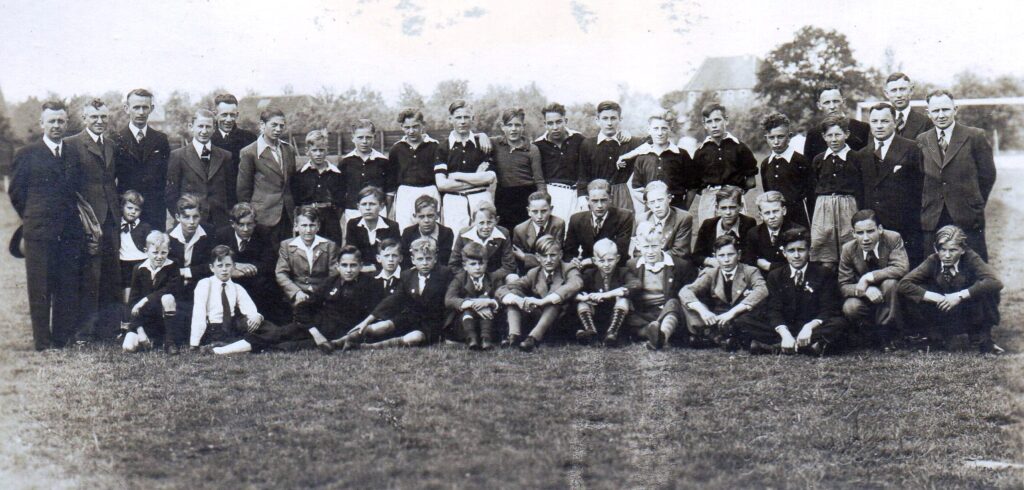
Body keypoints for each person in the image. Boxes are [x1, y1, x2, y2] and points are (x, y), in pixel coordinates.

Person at [9, 100, 83, 350]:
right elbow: (16, 193)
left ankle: (61, 338)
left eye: (61, 121)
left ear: (67, 123)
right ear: (42, 123)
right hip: (39, 233)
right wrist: (34, 216)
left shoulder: (73, 153)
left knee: (65, 285)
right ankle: (42, 340)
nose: (56, 125)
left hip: (69, 232)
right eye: (51, 121)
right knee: (40, 287)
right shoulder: (27, 154)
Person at [734, 229, 847, 355]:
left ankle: (775, 347)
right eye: (791, 251)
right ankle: (804, 346)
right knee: (743, 321)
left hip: (812, 326)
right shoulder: (775, 275)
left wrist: (809, 327)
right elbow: (773, 309)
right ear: (784, 253)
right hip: (785, 326)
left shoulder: (823, 273)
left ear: (809, 251)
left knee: (840, 323)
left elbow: (828, 308)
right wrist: (785, 334)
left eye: (801, 250)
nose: (796, 255)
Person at [328, 237, 455, 349]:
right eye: (420, 259)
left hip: (432, 323)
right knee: (382, 326)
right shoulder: (408, 275)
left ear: (435, 259)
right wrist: (367, 320)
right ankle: (338, 342)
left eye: (428, 259)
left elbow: (450, 298)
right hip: (410, 318)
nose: (425, 263)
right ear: (413, 260)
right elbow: (393, 299)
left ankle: (366, 347)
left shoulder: (444, 274)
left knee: (414, 338)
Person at [917, 90, 996, 261]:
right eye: (935, 111)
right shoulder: (922, 140)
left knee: (973, 265)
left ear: (955, 109)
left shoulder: (975, 136)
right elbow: (920, 176)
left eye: (945, 109)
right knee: (935, 267)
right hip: (934, 215)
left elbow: (987, 175)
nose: (941, 115)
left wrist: (974, 203)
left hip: (966, 215)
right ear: (928, 113)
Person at [898, 225, 1003, 353]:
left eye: (953, 250)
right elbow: (904, 283)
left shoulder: (971, 258)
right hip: (942, 311)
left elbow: (995, 282)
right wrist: (934, 297)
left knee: (986, 288)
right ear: (936, 248)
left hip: (968, 310)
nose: (947, 255)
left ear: (963, 249)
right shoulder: (933, 261)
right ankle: (934, 337)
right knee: (915, 291)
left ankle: (981, 338)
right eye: (943, 250)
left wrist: (959, 296)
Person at [67, 98, 121, 342]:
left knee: (110, 274)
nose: (99, 121)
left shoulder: (110, 145)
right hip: (87, 219)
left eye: (103, 117)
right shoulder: (72, 144)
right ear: (84, 118)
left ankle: (107, 330)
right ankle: (84, 332)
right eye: (94, 117)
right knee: (89, 276)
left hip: (111, 218)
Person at [854, 102, 925, 266]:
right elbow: (861, 193)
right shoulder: (862, 154)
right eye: (874, 121)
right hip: (875, 229)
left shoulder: (912, 148)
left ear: (895, 122)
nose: (879, 126)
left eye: (884, 121)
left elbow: (920, 188)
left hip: (905, 227)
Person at [189, 246, 283, 354]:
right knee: (265, 339)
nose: (224, 269)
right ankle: (235, 346)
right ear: (212, 268)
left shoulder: (236, 287)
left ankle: (221, 349)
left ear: (234, 267)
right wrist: (194, 344)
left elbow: (250, 309)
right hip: (213, 329)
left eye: (228, 265)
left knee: (271, 330)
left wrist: (257, 316)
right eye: (219, 266)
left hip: (232, 327)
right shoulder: (205, 284)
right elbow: (199, 314)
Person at [679, 235, 767, 349]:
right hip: (716, 318)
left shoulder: (750, 271)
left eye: (730, 254)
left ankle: (711, 338)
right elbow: (686, 291)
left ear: (739, 255)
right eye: (721, 255)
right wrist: (703, 311)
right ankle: (718, 338)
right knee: (687, 302)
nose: (726, 260)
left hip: (738, 317)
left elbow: (762, 289)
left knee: (750, 316)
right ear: (715, 256)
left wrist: (732, 313)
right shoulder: (711, 273)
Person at [497, 236, 583, 352]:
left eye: (552, 255)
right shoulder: (534, 273)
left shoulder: (568, 269)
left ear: (560, 255)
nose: (548, 260)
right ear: (538, 257)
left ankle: (533, 339)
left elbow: (575, 283)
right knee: (514, 294)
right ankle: (513, 336)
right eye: (544, 256)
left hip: (560, 322)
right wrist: (517, 300)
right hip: (538, 318)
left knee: (554, 302)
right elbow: (503, 289)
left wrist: (543, 301)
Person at [838, 209, 909, 348]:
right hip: (865, 298)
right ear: (853, 233)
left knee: (890, 283)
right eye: (860, 233)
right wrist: (866, 290)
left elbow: (901, 267)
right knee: (850, 307)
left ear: (880, 229)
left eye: (870, 231)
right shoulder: (848, 249)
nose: (865, 238)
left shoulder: (893, 238)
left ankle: (888, 334)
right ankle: (869, 336)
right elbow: (844, 285)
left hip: (891, 296)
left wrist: (869, 277)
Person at [625, 222, 697, 350]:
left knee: (673, 303)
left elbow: (688, 293)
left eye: (654, 246)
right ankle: (652, 332)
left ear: (662, 243)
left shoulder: (680, 265)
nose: (650, 252)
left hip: (668, 312)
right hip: (644, 313)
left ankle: (662, 335)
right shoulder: (632, 265)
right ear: (638, 245)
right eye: (646, 247)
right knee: (629, 315)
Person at [809, 116, 866, 271]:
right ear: (823, 137)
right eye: (829, 135)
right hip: (824, 208)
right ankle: (827, 278)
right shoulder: (819, 159)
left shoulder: (856, 158)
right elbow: (814, 184)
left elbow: (861, 186)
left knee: (849, 243)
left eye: (837, 135)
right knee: (824, 246)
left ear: (846, 134)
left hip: (848, 206)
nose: (833, 139)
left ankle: (851, 278)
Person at [214, 202, 286, 324]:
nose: (245, 229)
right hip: (231, 278)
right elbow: (215, 260)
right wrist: (235, 266)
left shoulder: (264, 233)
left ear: (255, 223)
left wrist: (245, 271)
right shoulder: (222, 235)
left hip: (256, 280)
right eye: (241, 224)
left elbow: (269, 262)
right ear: (233, 224)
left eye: (249, 224)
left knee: (268, 287)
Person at [691, 103, 758, 227]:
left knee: (737, 231)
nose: (714, 125)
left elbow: (751, 181)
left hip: (733, 197)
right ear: (705, 125)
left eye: (717, 120)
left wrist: (737, 191)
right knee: (709, 231)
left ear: (726, 120)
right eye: (709, 121)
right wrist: (709, 192)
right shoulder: (701, 152)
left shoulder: (739, 147)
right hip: (709, 200)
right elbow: (695, 183)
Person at [434, 100, 496, 232]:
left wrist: (456, 176)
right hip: (454, 200)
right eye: (458, 117)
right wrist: (477, 180)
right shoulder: (443, 147)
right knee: (456, 238)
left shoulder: (482, 144)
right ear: (450, 119)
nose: (462, 121)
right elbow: (442, 184)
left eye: (466, 117)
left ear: (472, 118)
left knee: (483, 236)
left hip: (480, 198)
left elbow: (489, 177)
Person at [166, 109, 233, 230]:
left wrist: (226, 217)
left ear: (214, 129)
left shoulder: (225, 156)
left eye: (208, 127)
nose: (204, 131)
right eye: (200, 126)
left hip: (219, 223)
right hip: (190, 222)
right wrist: (183, 217)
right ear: (191, 127)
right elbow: (171, 193)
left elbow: (231, 191)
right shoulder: (178, 156)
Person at [237, 107, 296, 244]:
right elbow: (243, 190)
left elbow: (292, 182)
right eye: (274, 125)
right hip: (262, 216)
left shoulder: (288, 149)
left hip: (286, 215)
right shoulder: (249, 152)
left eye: (281, 126)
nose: (278, 129)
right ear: (262, 125)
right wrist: (248, 217)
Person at [114, 89, 171, 231]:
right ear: (127, 108)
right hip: (127, 211)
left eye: (145, 107)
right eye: (136, 107)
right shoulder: (115, 140)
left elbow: (166, 177)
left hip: (155, 212)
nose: (141, 112)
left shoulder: (161, 140)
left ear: (151, 108)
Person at [621, 110, 698, 212]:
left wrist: (684, 209)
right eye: (656, 128)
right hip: (652, 211)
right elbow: (636, 188)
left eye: (664, 128)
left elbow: (692, 187)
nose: (660, 133)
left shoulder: (681, 154)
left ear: (670, 129)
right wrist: (652, 204)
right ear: (649, 130)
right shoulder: (642, 157)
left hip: (676, 208)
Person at [275, 206, 340, 324]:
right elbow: (281, 273)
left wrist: (320, 294)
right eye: (304, 225)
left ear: (318, 226)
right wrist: (296, 292)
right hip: (297, 293)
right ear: (296, 226)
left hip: (322, 294)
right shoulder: (287, 245)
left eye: (312, 225)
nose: (308, 230)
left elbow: (333, 274)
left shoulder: (329, 245)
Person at [310, 247, 381, 353]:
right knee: (287, 333)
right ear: (337, 266)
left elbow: (375, 312)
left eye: (353, 265)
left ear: (361, 266)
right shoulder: (330, 282)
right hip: (321, 325)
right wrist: (315, 332)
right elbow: (305, 307)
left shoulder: (371, 284)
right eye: (344, 265)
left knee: (296, 344)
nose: (348, 270)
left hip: (345, 331)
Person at [577, 101, 644, 212]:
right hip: (596, 197)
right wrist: (583, 201)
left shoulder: (630, 143)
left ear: (620, 119)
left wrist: (628, 134)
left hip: (622, 197)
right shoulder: (588, 144)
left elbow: (652, 141)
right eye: (605, 118)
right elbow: (583, 177)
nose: (609, 123)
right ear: (597, 120)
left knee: (624, 221)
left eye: (613, 118)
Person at [123, 231, 182, 353]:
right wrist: (140, 331)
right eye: (155, 252)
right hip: (144, 319)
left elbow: (171, 288)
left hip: (163, 317)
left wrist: (145, 299)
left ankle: (169, 342)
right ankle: (150, 339)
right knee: (128, 347)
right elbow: (133, 302)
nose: (159, 257)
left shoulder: (173, 265)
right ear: (146, 251)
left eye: (163, 252)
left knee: (168, 297)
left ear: (169, 250)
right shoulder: (138, 269)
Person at [574, 239, 639, 345]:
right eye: (602, 261)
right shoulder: (589, 274)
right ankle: (591, 332)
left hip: (617, 317)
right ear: (594, 261)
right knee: (582, 302)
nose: (606, 264)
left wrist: (605, 295)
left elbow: (635, 285)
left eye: (610, 260)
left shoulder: (623, 272)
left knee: (623, 299)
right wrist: (585, 297)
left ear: (617, 258)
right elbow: (573, 291)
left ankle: (612, 333)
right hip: (596, 316)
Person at [491, 107, 545, 229]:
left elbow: (539, 180)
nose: (513, 129)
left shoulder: (532, 149)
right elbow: (474, 138)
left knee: (525, 232)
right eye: (509, 125)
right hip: (503, 196)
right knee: (504, 231)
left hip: (525, 195)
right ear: (502, 126)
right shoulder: (496, 143)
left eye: (517, 125)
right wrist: (482, 135)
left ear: (523, 126)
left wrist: (542, 200)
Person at [389, 108, 441, 230]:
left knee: (430, 228)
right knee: (404, 229)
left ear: (423, 125)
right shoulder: (396, 149)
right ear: (402, 127)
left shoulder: (435, 146)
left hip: (429, 191)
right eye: (407, 127)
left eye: (415, 127)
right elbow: (391, 179)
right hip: (405, 193)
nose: (411, 131)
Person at [291, 129, 345, 244]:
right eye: (314, 150)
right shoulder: (300, 175)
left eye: (321, 150)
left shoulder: (337, 175)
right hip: (307, 220)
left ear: (327, 150)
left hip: (330, 221)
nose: (318, 154)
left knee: (331, 249)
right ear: (307, 151)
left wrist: (330, 215)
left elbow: (340, 203)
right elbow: (296, 202)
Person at [564, 179, 634, 267]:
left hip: (615, 267)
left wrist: (591, 261)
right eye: (595, 201)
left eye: (603, 200)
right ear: (588, 200)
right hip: (586, 268)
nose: (599, 205)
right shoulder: (576, 219)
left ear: (610, 199)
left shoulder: (624, 217)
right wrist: (573, 260)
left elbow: (621, 252)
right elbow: (569, 252)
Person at [534, 102, 585, 223]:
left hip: (577, 194)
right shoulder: (538, 145)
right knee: (556, 229)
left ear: (565, 121)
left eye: (558, 122)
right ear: (545, 124)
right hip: (553, 194)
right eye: (550, 123)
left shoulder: (578, 139)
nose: (555, 127)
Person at [759, 112, 813, 227]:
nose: (776, 142)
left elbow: (810, 194)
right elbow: (767, 192)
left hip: (798, 218)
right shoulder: (765, 164)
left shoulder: (801, 161)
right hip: (774, 219)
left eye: (780, 137)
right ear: (765, 138)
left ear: (789, 136)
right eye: (771, 137)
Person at [445, 242, 501, 350]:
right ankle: (472, 339)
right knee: (468, 309)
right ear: (465, 266)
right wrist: (473, 304)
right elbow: (449, 299)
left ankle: (486, 339)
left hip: (489, 323)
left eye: (481, 263)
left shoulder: (493, 278)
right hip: (465, 323)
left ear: (486, 263)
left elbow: (500, 298)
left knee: (484, 298)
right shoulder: (459, 279)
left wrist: (489, 302)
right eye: (473, 264)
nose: (477, 268)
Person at [339, 119, 392, 226]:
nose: (364, 141)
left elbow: (389, 193)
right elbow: (341, 192)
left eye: (368, 137)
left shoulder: (383, 161)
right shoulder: (345, 162)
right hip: (353, 211)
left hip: (378, 211)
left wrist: (383, 210)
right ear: (352, 138)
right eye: (360, 137)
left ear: (374, 137)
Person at [450, 201, 515, 283]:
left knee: (513, 278)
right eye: (481, 223)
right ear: (473, 222)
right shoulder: (464, 235)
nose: (485, 227)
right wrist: (470, 278)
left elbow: (509, 265)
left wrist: (489, 279)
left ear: (496, 220)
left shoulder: (503, 234)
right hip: (470, 279)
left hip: (494, 278)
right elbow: (454, 264)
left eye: (489, 222)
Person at [210, 93, 258, 206]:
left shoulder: (249, 138)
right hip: (215, 203)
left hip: (243, 202)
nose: (228, 119)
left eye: (232, 115)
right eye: (224, 115)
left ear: (237, 115)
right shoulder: (208, 140)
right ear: (215, 114)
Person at [693, 186, 757, 269]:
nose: (728, 212)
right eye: (723, 208)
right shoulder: (708, 225)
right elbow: (696, 255)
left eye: (732, 207)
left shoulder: (748, 223)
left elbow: (750, 256)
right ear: (717, 208)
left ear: (740, 207)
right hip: (713, 268)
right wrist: (710, 261)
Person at [630, 181, 693, 263]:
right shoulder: (642, 219)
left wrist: (653, 260)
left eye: (660, 200)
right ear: (647, 204)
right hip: (648, 264)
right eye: (652, 202)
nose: (657, 206)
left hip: (674, 264)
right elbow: (637, 252)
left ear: (669, 198)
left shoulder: (683, 218)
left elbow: (679, 252)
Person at [803, 84, 870, 160]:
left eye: (836, 101)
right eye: (827, 102)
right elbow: (808, 165)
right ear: (819, 105)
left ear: (843, 102)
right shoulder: (813, 134)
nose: (832, 107)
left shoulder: (863, 128)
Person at [743, 191, 804, 272]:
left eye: (775, 211)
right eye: (767, 213)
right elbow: (750, 262)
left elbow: (799, 262)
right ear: (761, 215)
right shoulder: (754, 233)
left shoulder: (797, 231)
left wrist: (769, 266)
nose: (772, 216)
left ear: (784, 211)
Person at [344, 186, 401, 271]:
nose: (367, 208)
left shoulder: (391, 226)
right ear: (358, 207)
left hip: (383, 270)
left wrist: (374, 268)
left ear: (381, 206)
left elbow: (393, 254)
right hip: (360, 270)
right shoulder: (353, 224)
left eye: (372, 204)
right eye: (364, 204)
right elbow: (352, 252)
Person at [117, 190, 152, 327]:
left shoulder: (144, 227)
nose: (132, 212)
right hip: (124, 264)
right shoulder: (117, 225)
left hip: (141, 262)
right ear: (122, 207)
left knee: (141, 294)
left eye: (136, 209)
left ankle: (141, 325)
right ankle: (126, 325)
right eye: (129, 208)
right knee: (126, 296)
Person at [512, 191, 566, 274]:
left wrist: (525, 257)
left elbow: (555, 257)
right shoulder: (520, 230)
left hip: (553, 269)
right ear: (528, 211)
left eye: (544, 211)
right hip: (529, 271)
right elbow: (518, 262)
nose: (539, 216)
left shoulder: (558, 224)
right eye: (535, 211)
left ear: (551, 209)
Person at [400, 195, 454, 268]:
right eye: (421, 217)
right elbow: (405, 262)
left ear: (437, 215)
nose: (426, 221)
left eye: (430, 216)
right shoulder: (408, 233)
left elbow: (444, 261)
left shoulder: (446, 233)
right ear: (415, 216)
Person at [882, 73, 934, 139]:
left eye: (902, 89)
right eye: (894, 90)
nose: (899, 95)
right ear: (886, 94)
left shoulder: (925, 122)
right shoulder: (879, 123)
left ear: (911, 91)